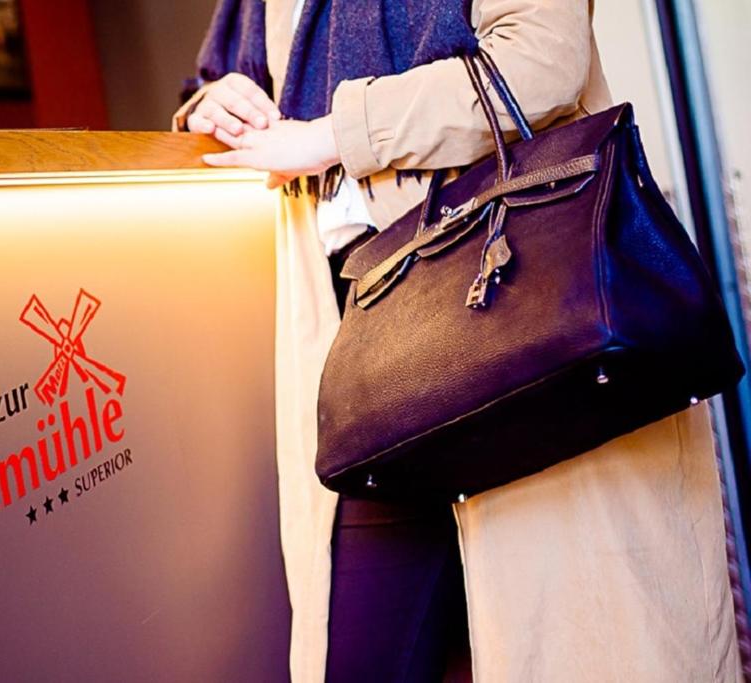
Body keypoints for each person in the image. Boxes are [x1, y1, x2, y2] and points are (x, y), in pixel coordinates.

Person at [175, 1, 745, 681]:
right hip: (377, 359)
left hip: (530, 314)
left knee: (588, 643)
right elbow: (223, 78)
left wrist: (335, 134)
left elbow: (541, 58)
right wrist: (212, 105)